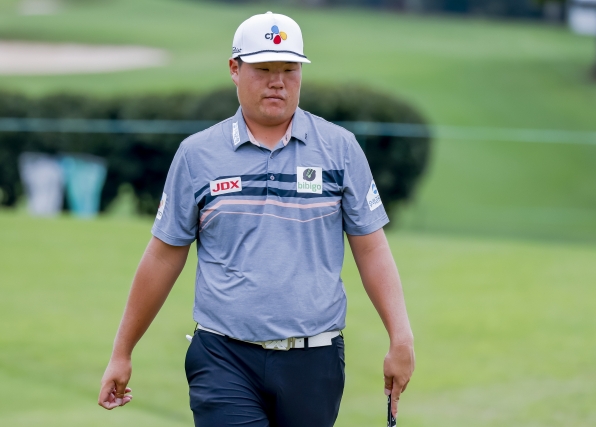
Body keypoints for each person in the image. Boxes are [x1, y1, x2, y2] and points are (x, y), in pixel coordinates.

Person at [98, 11, 414, 427]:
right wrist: (122, 351)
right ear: (235, 69)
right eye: (263, 69)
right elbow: (162, 256)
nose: (277, 81)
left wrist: (400, 336)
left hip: (314, 359)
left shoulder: (341, 150)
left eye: (289, 69)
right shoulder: (198, 155)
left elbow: (371, 248)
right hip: (223, 357)